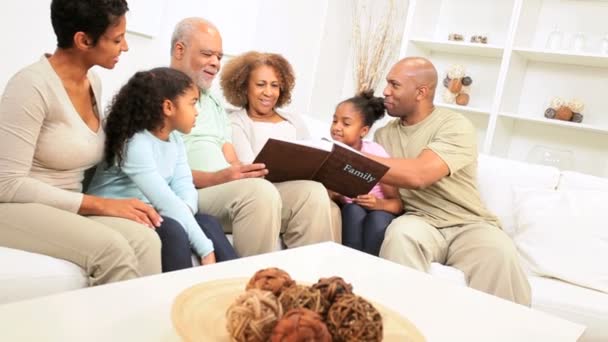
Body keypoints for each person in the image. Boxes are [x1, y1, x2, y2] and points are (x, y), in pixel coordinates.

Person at [0, 0, 162, 285]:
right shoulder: (30, 86)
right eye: (117, 39)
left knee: (146, 240)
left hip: (66, 205)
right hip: (14, 208)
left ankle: (142, 326)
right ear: (83, 40)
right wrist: (99, 204)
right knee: (112, 250)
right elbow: (7, 184)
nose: (125, 47)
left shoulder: (93, 82)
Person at [170, 18, 339, 256]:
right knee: (260, 192)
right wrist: (221, 177)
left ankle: (308, 283)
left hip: (227, 187)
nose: (215, 63)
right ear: (180, 50)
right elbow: (163, 169)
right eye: (208, 54)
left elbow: (230, 156)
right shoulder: (158, 93)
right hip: (196, 190)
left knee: (310, 193)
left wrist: (238, 170)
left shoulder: (213, 102)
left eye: (219, 56)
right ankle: (257, 287)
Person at [369, 57, 531, 305]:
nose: (386, 91)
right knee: (400, 237)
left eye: (395, 85)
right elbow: (389, 191)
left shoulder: (454, 125)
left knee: (500, 252)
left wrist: (353, 158)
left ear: (421, 92)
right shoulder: (383, 135)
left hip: (468, 223)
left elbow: (419, 174)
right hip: (420, 220)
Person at [86, 67, 238, 272]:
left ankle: (234, 287)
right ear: (168, 107)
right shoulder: (135, 143)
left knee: (208, 222)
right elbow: (165, 200)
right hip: (116, 212)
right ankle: (177, 296)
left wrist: (186, 209)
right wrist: (206, 250)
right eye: (193, 103)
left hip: (151, 209)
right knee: (172, 230)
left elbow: (184, 185)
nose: (197, 111)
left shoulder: (175, 138)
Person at [221, 51, 342, 243]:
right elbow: (248, 168)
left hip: (302, 187)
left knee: (332, 208)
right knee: (314, 195)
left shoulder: (294, 120)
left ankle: (320, 269)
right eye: (261, 84)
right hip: (264, 192)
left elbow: (311, 155)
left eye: (275, 85)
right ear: (244, 87)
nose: (268, 92)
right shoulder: (236, 121)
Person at [329, 90, 403, 256]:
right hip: (350, 210)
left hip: (380, 209)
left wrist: (378, 204)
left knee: (377, 219)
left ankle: (367, 270)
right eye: (334, 121)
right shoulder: (327, 151)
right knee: (352, 210)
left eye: (346, 124)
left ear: (363, 131)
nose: (337, 127)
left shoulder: (376, 153)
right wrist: (336, 195)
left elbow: (397, 204)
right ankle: (348, 266)